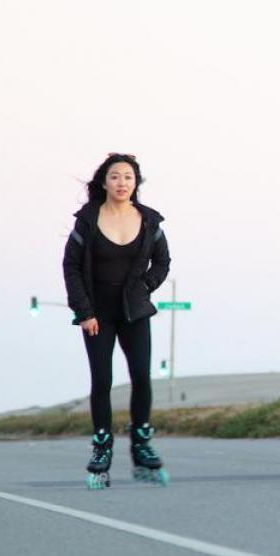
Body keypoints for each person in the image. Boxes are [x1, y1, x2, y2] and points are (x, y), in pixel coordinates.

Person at [62, 153, 171, 488]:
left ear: (135, 183)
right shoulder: (88, 221)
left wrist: (144, 287)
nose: (121, 182)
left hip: (134, 312)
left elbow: (162, 262)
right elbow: (72, 266)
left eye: (127, 177)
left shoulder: (150, 222)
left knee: (141, 376)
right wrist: (84, 312)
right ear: (104, 182)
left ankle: (142, 444)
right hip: (98, 314)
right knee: (103, 380)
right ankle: (102, 447)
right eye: (115, 176)